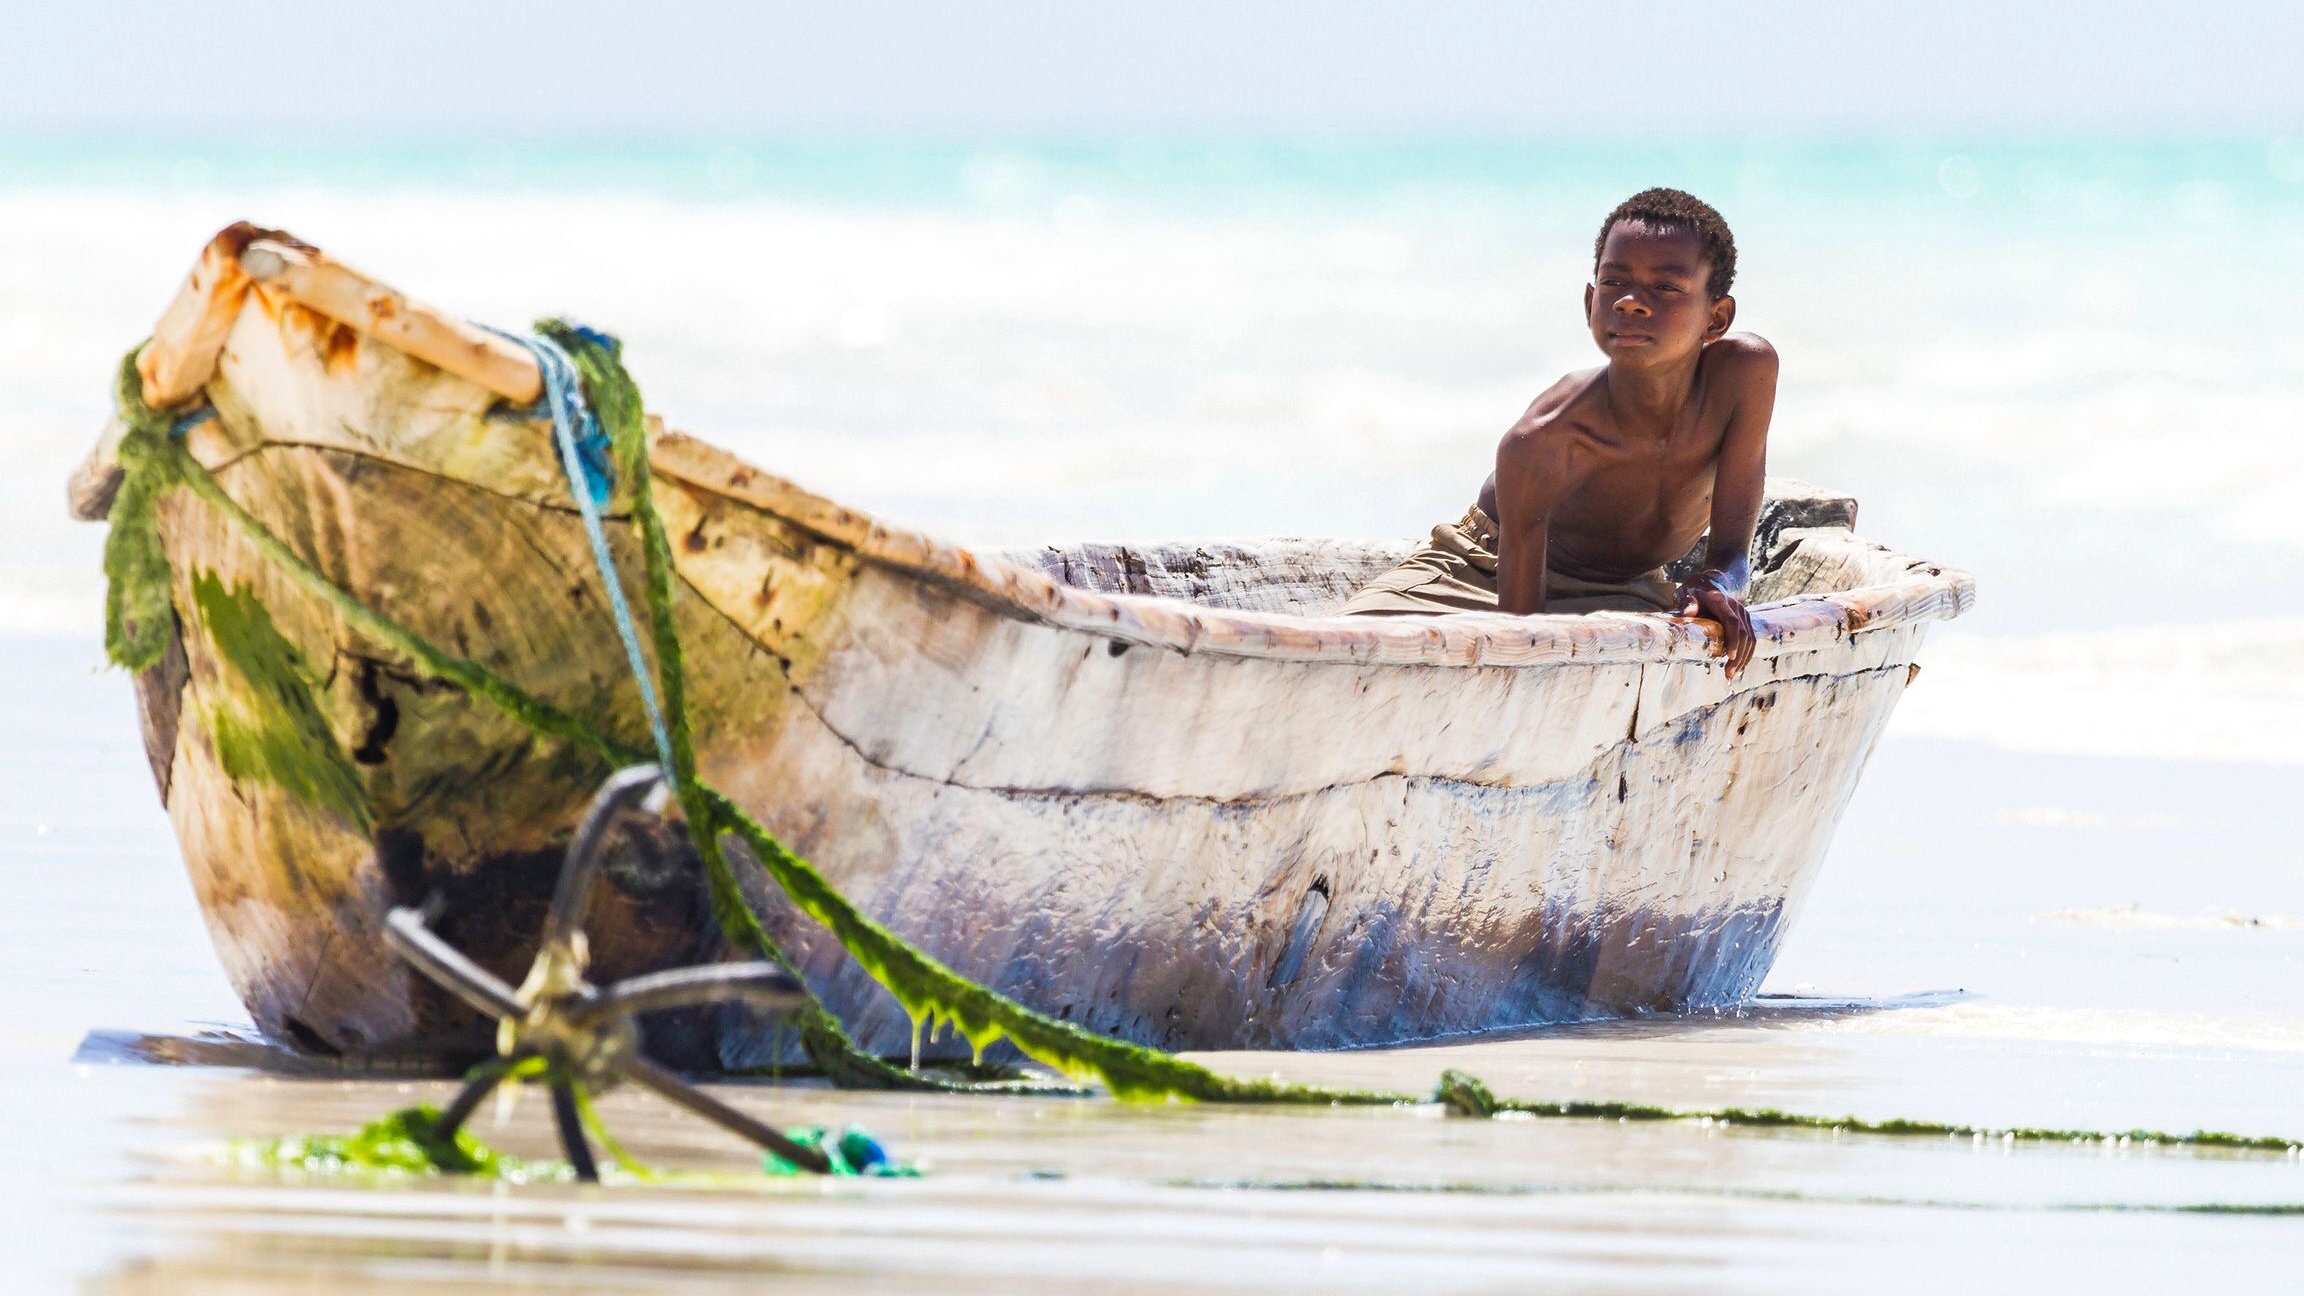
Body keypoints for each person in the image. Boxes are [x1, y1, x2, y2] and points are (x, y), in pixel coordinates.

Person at [1338, 188, 1775, 677]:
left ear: (1717, 317)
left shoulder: (1744, 374)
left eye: (1666, 288)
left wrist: (1714, 584)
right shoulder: (1545, 439)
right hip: (1484, 572)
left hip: (1630, 585)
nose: (1631, 302)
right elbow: (1520, 640)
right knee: (1341, 650)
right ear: (1591, 301)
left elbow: (1733, 551)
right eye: (1614, 282)